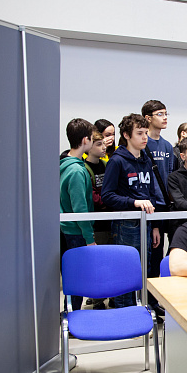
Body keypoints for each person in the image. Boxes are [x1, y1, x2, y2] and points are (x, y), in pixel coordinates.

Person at [101, 113, 160, 308]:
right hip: (126, 223)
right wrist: (134, 202)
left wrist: (155, 225)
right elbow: (107, 196)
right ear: (126, 135)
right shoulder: (117, 161)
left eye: (146, 133)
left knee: (144, 269)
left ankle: (140, 309)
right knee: (125, 271)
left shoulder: (146, 160)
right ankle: (123, 311)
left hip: (146, 221)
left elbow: (151, 194)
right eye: (139, 133)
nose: (144, 137)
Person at [60, 118, 97, 312]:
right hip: (76, 232)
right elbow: (79, 208)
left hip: (70, 230)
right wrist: (89, 238)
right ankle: (72, 315)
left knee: (74, 276)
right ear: (85, 140)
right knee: (77, 278)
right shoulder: (75, 170)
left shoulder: (67, 165)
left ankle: (71, 312)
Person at [142, 100, 174, 291]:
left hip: (163, 205)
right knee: (146, 253)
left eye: (166, 114)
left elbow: (169, 175)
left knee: (158, 252)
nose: (165, 118)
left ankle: (155, 296)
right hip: (146, 204)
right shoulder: (142, 144)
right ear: (148, 118)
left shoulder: (167, 146)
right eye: (160, 114)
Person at [83, 129, 113, 309]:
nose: (103, 147)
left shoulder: (106, 164)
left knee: (110, 261)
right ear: (88, 146)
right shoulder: (84, 168)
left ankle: (111, 294)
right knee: (97, 263)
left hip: (110, 220)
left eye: (103, 144)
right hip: (96, 222)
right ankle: (97, 299)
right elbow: (92, 196)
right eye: (99, 144)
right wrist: (109, 200)